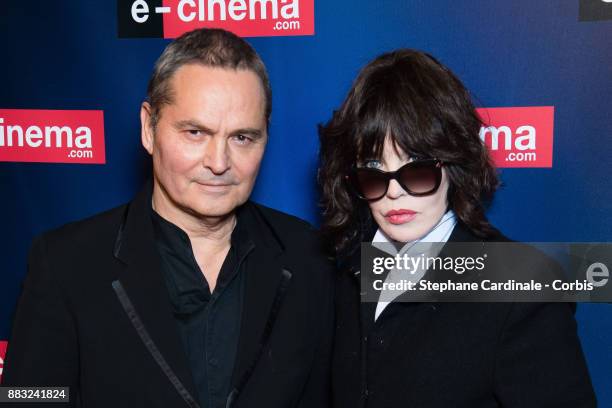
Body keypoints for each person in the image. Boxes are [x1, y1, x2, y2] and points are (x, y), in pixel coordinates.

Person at [3, 28, 334, 408]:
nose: (219, 162)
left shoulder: (308, 257)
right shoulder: (65, 264)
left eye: (242, 138)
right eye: (195, 132)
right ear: (149, 128)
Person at [318, 49, 596, 407]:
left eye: (417, 168)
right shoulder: (344, 268)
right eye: (373, 171)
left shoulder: (522, 287)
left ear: (454, 165)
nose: (394, 191)